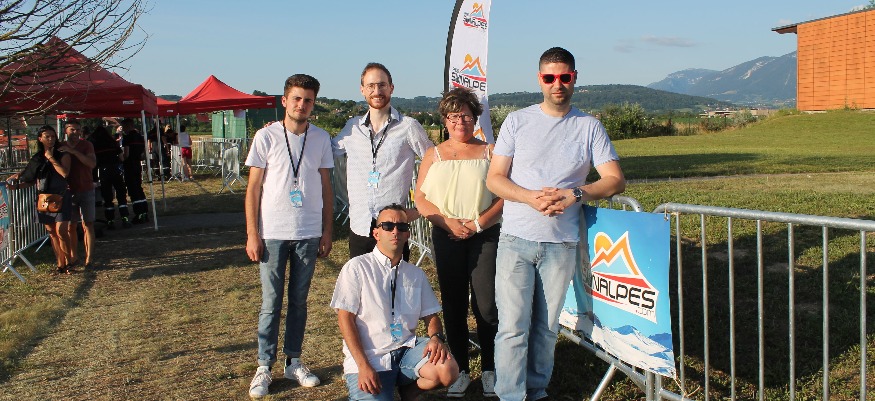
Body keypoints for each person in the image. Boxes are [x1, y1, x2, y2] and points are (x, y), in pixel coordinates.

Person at [485, 47, 626, 401]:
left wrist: (575, 194)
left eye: (564, 77)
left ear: (574, 78)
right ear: (540, 80)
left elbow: (615, 179)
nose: (557, 84)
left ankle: (536, 391)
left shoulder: (589, 126)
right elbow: (495, 178)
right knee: (512, 327)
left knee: (546, 328)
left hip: (561, 244)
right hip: (516, 240)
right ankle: (510, 395)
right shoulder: (517, 121)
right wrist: (529, 197)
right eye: (550, 77)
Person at [244, 74, 334, 399]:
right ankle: (264, 366)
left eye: (308, 100)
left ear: (314, 104)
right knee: (271, 303)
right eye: (296, 98)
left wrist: (327, 230)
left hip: (308, 233)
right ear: (284, 101)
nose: (302, 105)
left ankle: (293, 361)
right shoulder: (266, 136)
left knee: (298, 301)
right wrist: (252, 233)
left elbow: (326, 188)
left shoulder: (321, 138)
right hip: (272, 233)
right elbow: (253, 189)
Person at [413, 87, 503, 398]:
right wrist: (446, 222)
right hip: (446, 235)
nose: (459, 122)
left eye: (465, 115)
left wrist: (478, 224)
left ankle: (490, 368)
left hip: (484, 235)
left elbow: (504, 195)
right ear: (444, 120)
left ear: (475, 118)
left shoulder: (491, 152)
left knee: (486, 304)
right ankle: (461, 369)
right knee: (453, 304)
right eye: (453, 117)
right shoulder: (433, 155)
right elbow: (421, 198)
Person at [330, 204, 459, 401]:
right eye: (388, 226)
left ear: (408, 234)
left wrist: (436, 338)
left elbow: (431, 316)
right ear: (376, 233)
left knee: (447, 370)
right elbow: (345, 319)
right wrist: (363, 366)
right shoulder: (356, 267)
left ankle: (407, 393)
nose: (395, 231)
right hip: (371, 357)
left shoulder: (416, 274)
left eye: (402, 227)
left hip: (406, 350)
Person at [332, 62, 434, 260]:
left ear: (391, 88)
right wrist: (287, 133)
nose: (376, 91)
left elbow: (435, 164)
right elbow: (324, 151)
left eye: (382, 85)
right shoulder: (352, 128)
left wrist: (420, 208)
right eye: (370, 86)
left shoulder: (408, 127)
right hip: (360, 226)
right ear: (362, 90)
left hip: (394, 229)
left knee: (395, 280)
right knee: (361, 279)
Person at [6, 126, 74, 274]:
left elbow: (64, 173)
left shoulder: (63, 154)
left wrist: (51, 158)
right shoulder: (37, 158)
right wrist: (15, 185)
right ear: (40, 139)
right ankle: (60, 264)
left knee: (61, 231)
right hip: (44, 198)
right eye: (47, 137)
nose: (50, 139)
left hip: (61, 196)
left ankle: (69, 262)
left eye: (53, 136)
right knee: (52, 232)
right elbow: (31, 179)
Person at [58, 119, 97, 268]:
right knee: (71, 225)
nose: (75, 133)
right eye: (72, 130)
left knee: (88, 224)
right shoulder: (60, 146)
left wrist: (73, 152)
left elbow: (92, 163)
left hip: (86, 188)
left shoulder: (87, 145)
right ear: (66, 131)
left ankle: (89, 258)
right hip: (69, 191)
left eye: (78, 130)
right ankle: (73, 256)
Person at [91, 125, 131, 229]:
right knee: (121, 195)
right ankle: (125, 218)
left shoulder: (95, 145)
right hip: (116, 171)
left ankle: (110, 220)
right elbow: (122, 158)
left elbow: (93, 162)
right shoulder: (113, 143)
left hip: (103, 172)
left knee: (107, 197)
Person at [120, 118, 149, 224]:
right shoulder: (140, 137)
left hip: (129, 165)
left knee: (133, 189)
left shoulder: (127, 138)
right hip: (137, 164)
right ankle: (145, 212)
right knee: (139, 187)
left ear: (128, 126)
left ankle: (139, 213)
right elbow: (143, 154)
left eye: (123, 127)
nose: (123, 129)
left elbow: (126, 154)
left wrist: (121, 159)